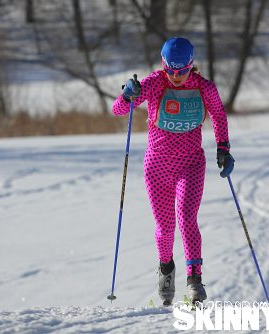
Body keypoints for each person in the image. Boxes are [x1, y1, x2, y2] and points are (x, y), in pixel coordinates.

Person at [111, 37, 234, 305]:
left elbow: (218, 114)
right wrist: (127, 94)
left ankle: (194, 280)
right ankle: (166, 268)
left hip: (190, 164)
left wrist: (223, 147)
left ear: (191, 65)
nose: (176, 77)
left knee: (187, 218)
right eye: (171, 71)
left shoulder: (204, 87)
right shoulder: (155, 82)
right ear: (164, 65)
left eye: (182, 71)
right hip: (156, 168)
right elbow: (119, 110)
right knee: (165, 228)